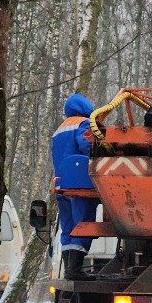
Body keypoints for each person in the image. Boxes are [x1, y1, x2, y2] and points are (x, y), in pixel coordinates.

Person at [52, 92, 98, 280]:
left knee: (68, 227)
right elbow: (87, 147)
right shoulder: (83, 124)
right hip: (80, 185)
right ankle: (75, 268)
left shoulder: (59, 130)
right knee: (83, 224)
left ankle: (70, 269)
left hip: (61, 185)